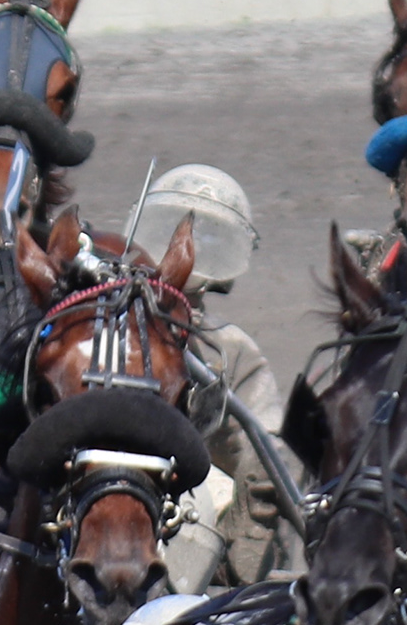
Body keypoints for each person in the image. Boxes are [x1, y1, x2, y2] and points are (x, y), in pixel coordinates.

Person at [128, 165, 299, 590]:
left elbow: (264, 455)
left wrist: (246, 544)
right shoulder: (107, 325)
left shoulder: (229, 351)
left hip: (193, 525)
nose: (188, 245)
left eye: (208, 238)